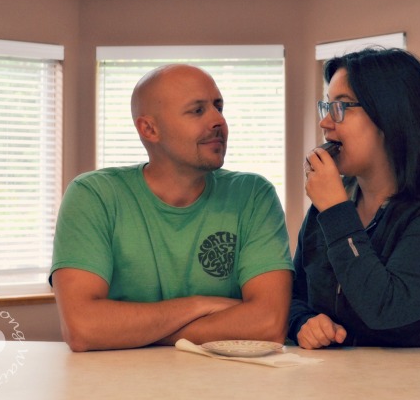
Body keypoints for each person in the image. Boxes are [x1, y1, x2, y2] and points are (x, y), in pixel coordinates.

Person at [50, 64, 294, 352]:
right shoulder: (93, 195)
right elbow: (83, 328)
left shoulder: (254, 195)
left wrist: (143, 331)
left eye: (219, 106)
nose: (218, 120)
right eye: (198, 110)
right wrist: (200, 305)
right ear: (149, 129)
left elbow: (269, 324)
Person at [289, 47, 420, 348]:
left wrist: (336, 211)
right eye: (327, 107)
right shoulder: (333, 201)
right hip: (347, 381)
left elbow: (385, 308)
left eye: (342, 107)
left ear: (389, 115)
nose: (325, 123)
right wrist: (303, 323)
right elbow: (296, 295)